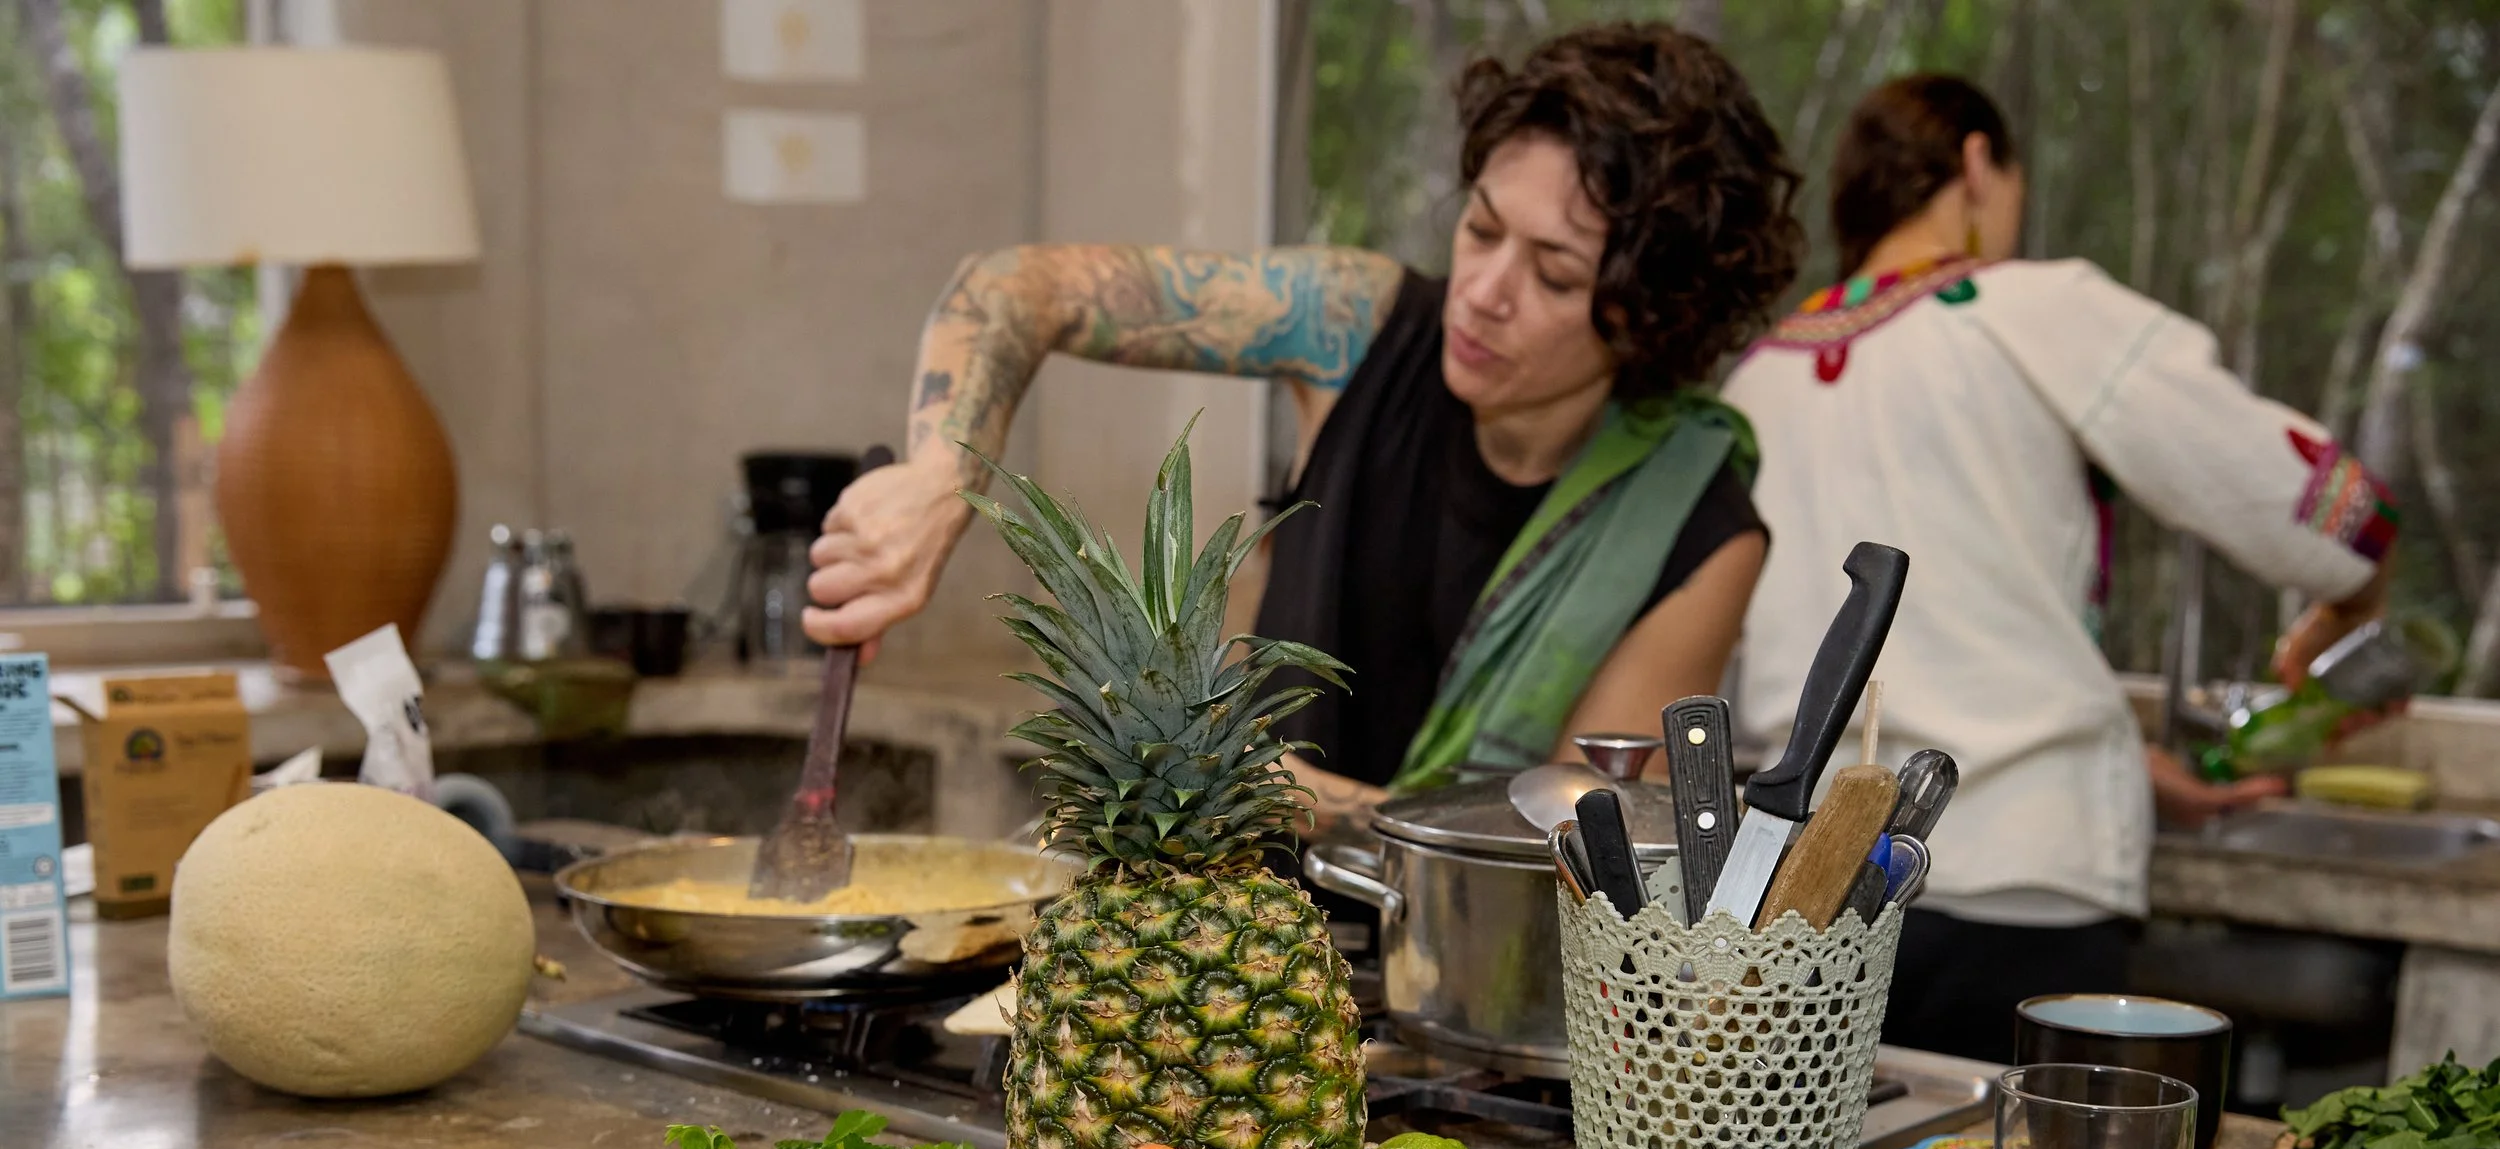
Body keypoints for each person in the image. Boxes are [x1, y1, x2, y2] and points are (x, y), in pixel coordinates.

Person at [804, 25, 1805, 829]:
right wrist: (942, 469)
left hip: (1446, 999)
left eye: (1552, 274)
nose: (1483, 293)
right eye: (1481, 228)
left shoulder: (1697, 530)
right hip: (1226, 941)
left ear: (1650, 315)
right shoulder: (1355, 324)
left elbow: (1583, 857)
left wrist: (1304, 803)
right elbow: (1016, 291)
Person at [1721, 74, 2392, 1063]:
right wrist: (2359, 585)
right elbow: (2297, 497)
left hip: (1805, 893)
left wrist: (2131, 762)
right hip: (2019, 891)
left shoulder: (1760, 374)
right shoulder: (2027, 309)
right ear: (1978, 165)